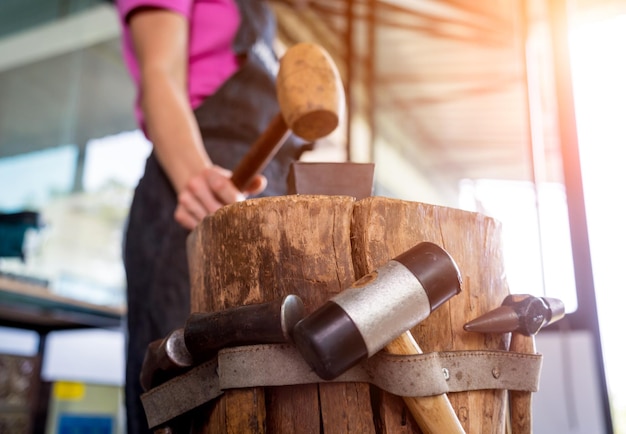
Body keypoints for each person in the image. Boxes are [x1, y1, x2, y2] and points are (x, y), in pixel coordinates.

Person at [115, 1, 307, 432]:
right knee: (184, 393)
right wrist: (196, 179)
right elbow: (159, 76)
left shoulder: (259, 16)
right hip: (196, 184)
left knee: (260, 389)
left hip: (260, 190)